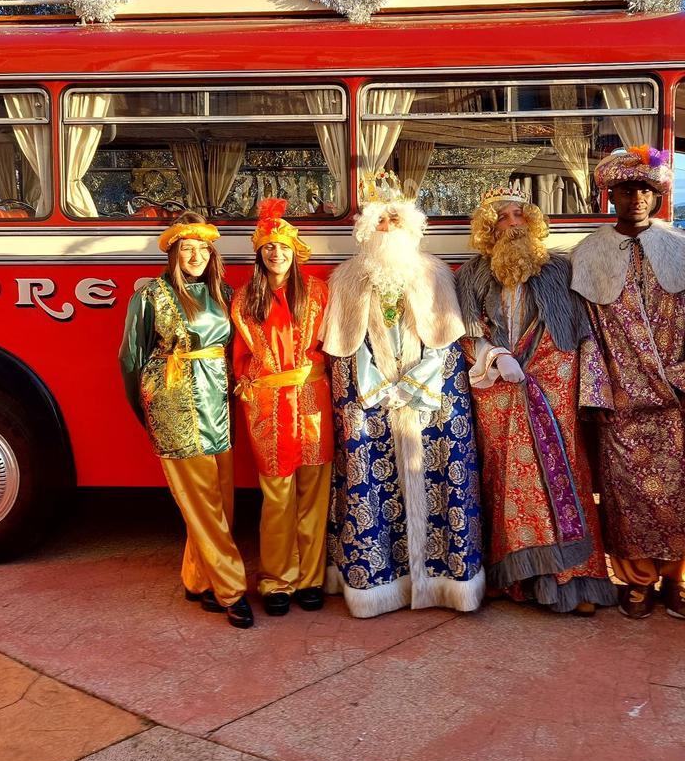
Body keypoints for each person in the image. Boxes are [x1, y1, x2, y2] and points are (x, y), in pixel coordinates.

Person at [570, 147, 685, 620]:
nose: (636, 197)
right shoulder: (589, 254)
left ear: (656, 195)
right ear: (610, 194)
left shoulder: (683, 249)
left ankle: (677, 582)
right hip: (621, 399)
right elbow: (587, 333)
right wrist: (600, 394)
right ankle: (637, 582)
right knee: (628, 497)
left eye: (645, 189)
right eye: (626, 189)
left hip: (680, 398)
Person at [322, 176, 484, 618]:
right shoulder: (347, 278)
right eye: (381, 218)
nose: (389, 224)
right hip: (371, 403)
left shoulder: (433, 272)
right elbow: (343, 347)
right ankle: (380, 585)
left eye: (397, 217)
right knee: (370, 483)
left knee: (442, 480)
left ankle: (446, 583)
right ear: (367, 227)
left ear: (411, 225)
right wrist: (376, 389)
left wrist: (414, 388)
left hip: (430, 401)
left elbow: (447, 343)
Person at [456, 186, 615, 614]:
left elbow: (576, 334)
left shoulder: (559, 271)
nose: (512, 224)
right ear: (489, 229)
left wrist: (540, 370)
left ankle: (570, 578)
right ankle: (522, 581)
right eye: (503, 218)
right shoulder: (471, 275)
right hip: (497, 391)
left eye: (519, 216)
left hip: (552, 385)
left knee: (562, 474)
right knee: (508, 482)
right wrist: (498, 355)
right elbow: (469, 333)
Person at [119, 211, 253, 629]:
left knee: (221, 500)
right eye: (187, 249)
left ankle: (197, 580)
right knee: (202, 502)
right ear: (174, 254)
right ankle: (231, 589)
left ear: (212, 255)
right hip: (174, 404)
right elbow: (131, 358)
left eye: (202, 249)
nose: (195, 256)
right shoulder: (151, 296)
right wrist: (149, 410)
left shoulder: (224, 292)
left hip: (217, 402)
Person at [231, 198, 332, 617]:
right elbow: (240, 358)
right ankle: (276, 579)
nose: (277, 253)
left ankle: (310, 577)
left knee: (314, 490)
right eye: (269, 246)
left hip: (312, 398)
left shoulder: (318, 293)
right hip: (269, 403)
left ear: (295, 252)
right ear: (259, 253)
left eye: (284, 246)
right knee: (277, 495)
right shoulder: (244, 300)